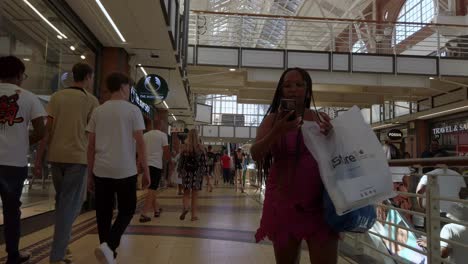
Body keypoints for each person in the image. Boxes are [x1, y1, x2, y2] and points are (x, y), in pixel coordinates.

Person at [251, 68, 336, 264]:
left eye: (299, 85)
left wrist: (332, 136)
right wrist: (277, 131)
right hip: (283, 201)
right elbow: (256, 154)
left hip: (320, 203)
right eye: (287, 85)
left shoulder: (320, 118)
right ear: (281, 91)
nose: (293, 89)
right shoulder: (272, 120)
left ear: (308, 91)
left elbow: (337, 155)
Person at [34, 62, 99, 264]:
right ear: (88, 77)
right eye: (91, 77)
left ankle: (63, 243)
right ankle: (57, 255)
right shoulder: (91, 101)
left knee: (63, 203)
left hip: (55, 157)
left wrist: (39, 159)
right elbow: (93, 136)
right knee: (70, 205)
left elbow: (47, 131)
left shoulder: (57, 97)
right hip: (77, 158)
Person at [86, 72, 150, 264]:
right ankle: (109, 247)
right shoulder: (132, 111)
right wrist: (146, 170)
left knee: (103, 213)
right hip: (125, 170)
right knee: (127, 210)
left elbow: (90, 145)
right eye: (129, 87)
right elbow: (140, 143)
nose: (129, 90)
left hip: (101, 169)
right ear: (123, 87)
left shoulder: (99, 111)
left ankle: (107, 252)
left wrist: (90, 174)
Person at [0, 56, 46, 264]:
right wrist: (22, 141)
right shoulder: (29, 98)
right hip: (13, 163)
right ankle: (12, 255)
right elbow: (41, 131)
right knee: (11, 211)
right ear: (19, 75)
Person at [139, 120, 169, 223]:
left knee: (152, 189)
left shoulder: (145, 135)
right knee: (152, 189)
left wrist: (140, 164)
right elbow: (166, 151)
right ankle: (144, 214)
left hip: (147, 165)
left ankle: (156, 210)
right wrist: (168, 162)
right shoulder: (162, 135)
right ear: (160, 125)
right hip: (156, 165)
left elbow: (141, 150)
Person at [177, 129, 206, 221]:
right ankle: (193, 216)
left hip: (186, 172)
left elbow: (181, 161)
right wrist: (204, 174)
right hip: (197, 173)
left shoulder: (185, 147)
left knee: (186, 192)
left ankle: (185, 207)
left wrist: (179, 171)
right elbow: (203, 163)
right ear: (197, 136)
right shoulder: (201, 148)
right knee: (194, 195)